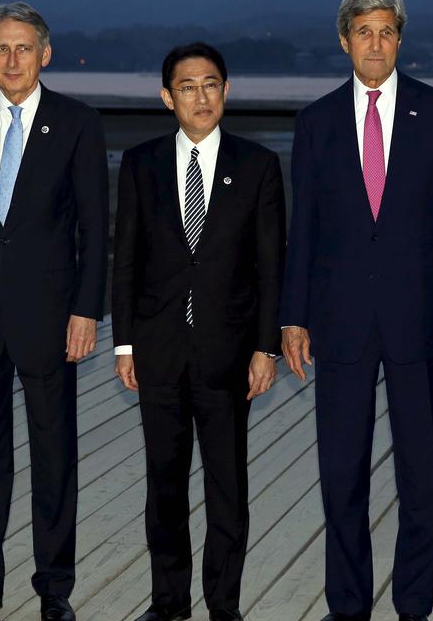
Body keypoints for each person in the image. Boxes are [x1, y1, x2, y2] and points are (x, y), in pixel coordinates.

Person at [280, 0, 433, 621]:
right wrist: (293, 316)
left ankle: (414, 603)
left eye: (386, 30)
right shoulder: (314, 123)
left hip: (419, 316)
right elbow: (302, 229)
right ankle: (348, 606)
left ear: (400, 40)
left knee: (423, 473)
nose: (375, 42)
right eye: (363, 31)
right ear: (344, 40)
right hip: (337, 319)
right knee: (342, 475)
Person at [0, 2, 107, 621]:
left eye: (24, 48)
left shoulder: (78, 122)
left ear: (45, 54)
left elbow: (94, 227)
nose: (12, 59)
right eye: (1, 48)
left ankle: (53, 588)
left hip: (51, 317)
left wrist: (88, 310)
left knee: (53, 454)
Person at [112, 42, 284, 621]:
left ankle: (223, 605)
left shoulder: (257, 166)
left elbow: (269, 267)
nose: (201, 96)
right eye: (187, 86)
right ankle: (168, 602)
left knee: (226, 487)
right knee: (164, 484)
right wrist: (125, 342)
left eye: (211, 84)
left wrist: (266, 347)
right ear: (167, 97)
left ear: (226, 91)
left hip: (229, 353)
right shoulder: (140, 165)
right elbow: (126, 260)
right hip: (158, 351)